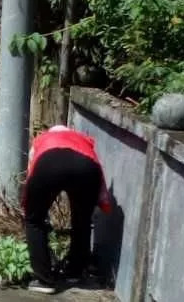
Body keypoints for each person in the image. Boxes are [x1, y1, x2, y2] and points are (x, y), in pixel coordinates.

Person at [21, 124, 112, 294]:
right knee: (82, 221)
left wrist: (31, 204)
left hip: (48, 164)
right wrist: (102, 201)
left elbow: (32, 170)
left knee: (34, 220)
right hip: (86, 167)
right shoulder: (84, 141)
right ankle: (75, 272)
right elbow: (99, 171)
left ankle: (44, 279)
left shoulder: (42, 140)